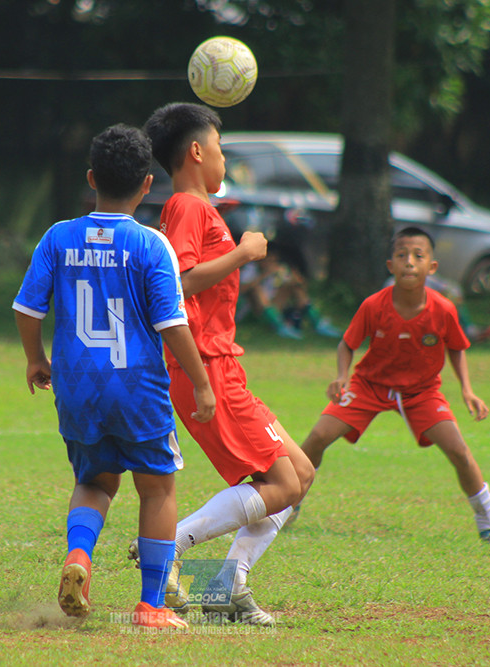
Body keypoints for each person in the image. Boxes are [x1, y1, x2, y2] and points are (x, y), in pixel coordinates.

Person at [12, 124, 216, 630]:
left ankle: (79, 556)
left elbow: (26, 308)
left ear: (91, 179)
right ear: (147, 184)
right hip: (136, 388)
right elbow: (172, 324)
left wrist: (36, 358)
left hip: (77, 386)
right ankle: (150, 606)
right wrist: (202, 382)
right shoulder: (151, 245)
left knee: (94, 481)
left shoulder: (58, 237)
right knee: (158, 490)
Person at [129, 102, 315, 626]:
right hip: (206, 366)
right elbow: (179, 282)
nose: (223, 158)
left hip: (222, 365)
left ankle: (227, 585)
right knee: (285, 485)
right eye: (219, 147)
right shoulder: (189, 207)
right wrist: (243, 252)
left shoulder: (194, 208)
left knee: (300, 473)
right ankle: (168, 546)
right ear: (196, 151)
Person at [298, 227, 490, 545]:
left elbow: (456, 347)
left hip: (421, 392)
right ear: (390, 265)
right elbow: (347, 344)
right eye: (401, 255)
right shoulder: (374, 305)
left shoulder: (443, 309)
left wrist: (467, 390)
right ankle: (288, 502)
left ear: (432, 267)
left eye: (418, 256)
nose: (409, 262)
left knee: (458, 451)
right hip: (369, 385)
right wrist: (342, 376)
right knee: (317, 437)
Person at [238, 242, 342, 339]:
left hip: (272, 307)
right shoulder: (250, 269)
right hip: (251, 310)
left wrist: (293, 277)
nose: (271, 263)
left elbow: (301, 286)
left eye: (274, 260)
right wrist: (264, 275)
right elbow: (241, 290)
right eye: (269, 260)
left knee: (293, 287)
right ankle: (279, 326)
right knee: (256, 289)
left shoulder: (278, 269)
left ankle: (317, 323)